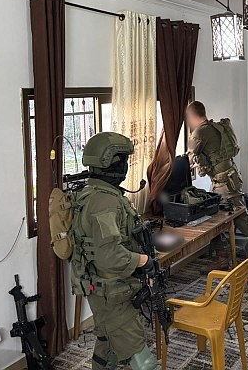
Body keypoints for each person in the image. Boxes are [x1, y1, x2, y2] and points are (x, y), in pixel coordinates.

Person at [70, 132, 158, 370]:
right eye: (124, 161)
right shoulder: (105, 202)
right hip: (111, 292)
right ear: (111, 164)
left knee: (107, 344)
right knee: (143, 362)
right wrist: (143, 261)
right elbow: (110, 256)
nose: (126, 167)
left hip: (106, 290)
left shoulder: (96, 194)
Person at [186, 101, 248, 271]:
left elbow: (188, 157)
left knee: (232, 218)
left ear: (192, 116)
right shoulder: (215, 127)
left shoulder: (200, 132)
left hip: (223, 183)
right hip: (228, 178)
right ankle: (228, 255)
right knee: (222, 217)